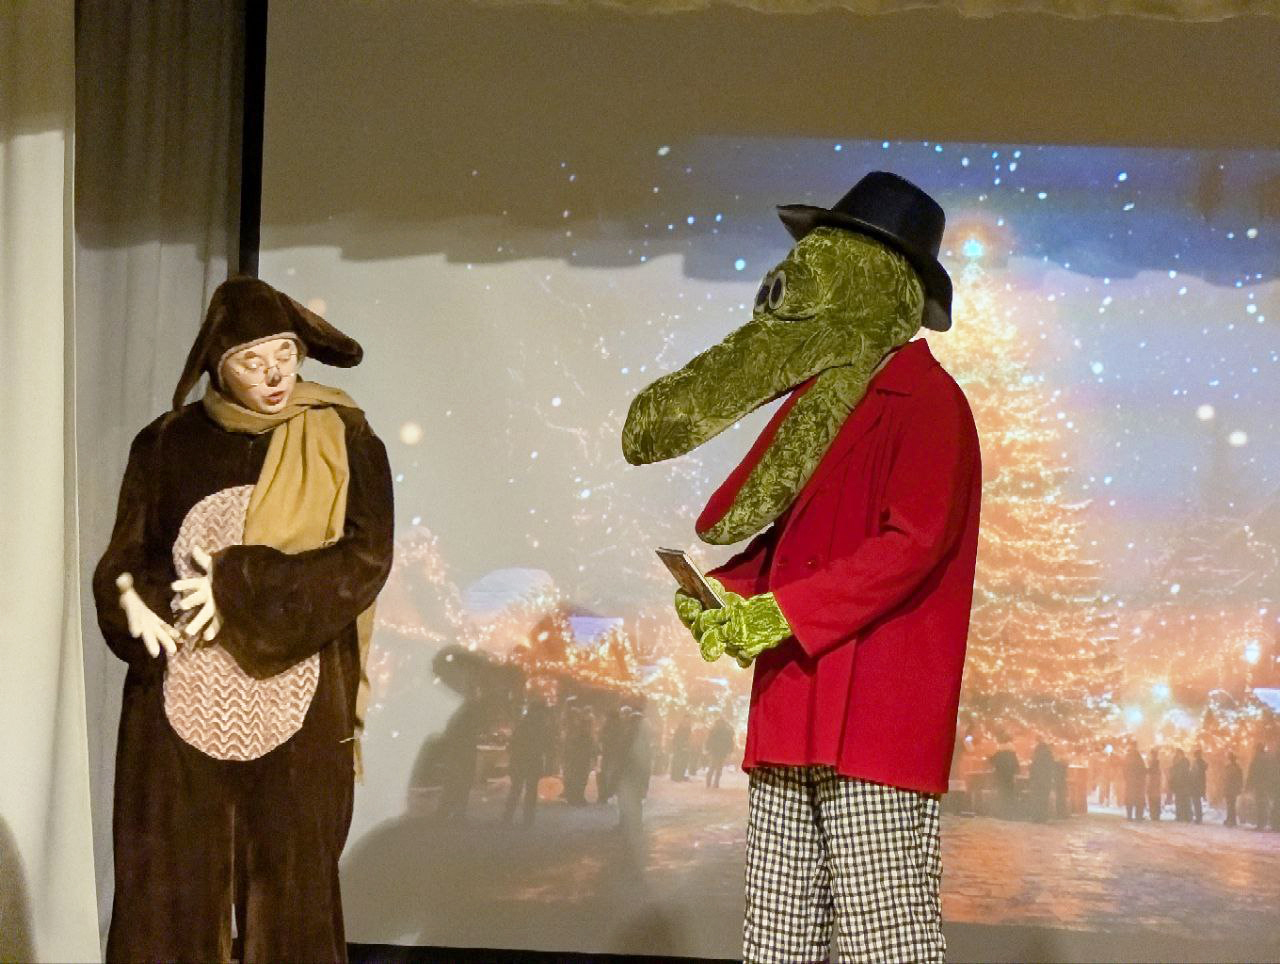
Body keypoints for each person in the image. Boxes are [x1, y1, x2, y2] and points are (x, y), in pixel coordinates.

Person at [631, 173, 977, 963]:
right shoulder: (823, 406)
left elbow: (911, 543)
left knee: (882, 930)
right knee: (778, 924)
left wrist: (783, 613)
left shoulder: (928, 401)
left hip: (877, 712)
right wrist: (728, 591)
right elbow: (794, 539)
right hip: (794, 700)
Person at [94, 278, 393, 962]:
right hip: (181, 695)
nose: (275, 374)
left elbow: (366, 558)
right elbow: (127, 558)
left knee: (291, 897)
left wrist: (237, 582)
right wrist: (129, 600)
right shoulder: (164, 443)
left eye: (284, 353)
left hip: (300, 692)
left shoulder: (345, 436)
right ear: (216, 364)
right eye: (252, 360)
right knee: (169, 891)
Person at [504, 700, 551, 826]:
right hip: (532, 761)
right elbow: (546, 745)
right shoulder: (541, 727)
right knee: (530, 791)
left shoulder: (523, 724)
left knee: (517, 789)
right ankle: (527, 819)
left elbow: (513, 744)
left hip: (521, 760)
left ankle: (509, 817)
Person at [990, 737, 1021, 820]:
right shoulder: (1012, 753)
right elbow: (1016, 765)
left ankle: (1002, 813)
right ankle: (1009, 813)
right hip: (1009, 777)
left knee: (1001, 794)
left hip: (1000, 777)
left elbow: (992, 761)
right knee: (1009, 794)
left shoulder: (999, 753)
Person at [705, 715, 736, 789]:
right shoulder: (724, 731)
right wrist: (730, 750)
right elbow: (730, 741)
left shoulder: (716, 730)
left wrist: (707, 748)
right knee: (716, 767)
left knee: (714, 767)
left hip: (717, 750)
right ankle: (714, 782)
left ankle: (712, 782)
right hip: (719, 751)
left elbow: (709, 740)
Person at [1028, 740, 1056, 823]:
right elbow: (1051, 768)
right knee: (1044, 799)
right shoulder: (1049, 756)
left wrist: (1031, 778)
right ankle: (1043, 817)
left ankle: (1036, 817)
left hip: (1036, 780)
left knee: (1036, 798)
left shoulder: (1036, 757)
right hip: (1046, 780)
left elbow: (1032, 769)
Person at [1124, 743, 1147, 820]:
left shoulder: (1128, 757)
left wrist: (1127, 778)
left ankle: (1129, 816)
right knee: (1139, 800)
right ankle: (1138, 816)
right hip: (1138, 783)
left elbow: (1125, 770)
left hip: (1131, 782)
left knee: (1130, 799)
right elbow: (1143, 769)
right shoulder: (1139, 757)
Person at [1170, 748, 1192, 823]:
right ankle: (1185, 816)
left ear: (1180, 754)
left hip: (1181, 785)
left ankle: (1182, 816)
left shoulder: (1181, 764)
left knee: (1181, 801)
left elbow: (1178, 775)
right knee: (1184, 801)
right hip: (1183, 785)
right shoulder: (1184, 763)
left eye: (1177, 754)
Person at [1223, 751, 1244, 827]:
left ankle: (1231, 820)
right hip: (1232, 788)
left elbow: (1226, 779)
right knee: (1231, 804)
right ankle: (1231, 819)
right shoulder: (1237, 768)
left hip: (1230, 788)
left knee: (1230, 804)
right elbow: (1240, 779)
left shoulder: (1230, 767)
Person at [669, 714, 693, 782]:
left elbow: (689, 738)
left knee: (684, 762)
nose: (687, 720)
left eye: (688, 719)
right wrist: (679, 745)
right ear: (683, 719)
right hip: (679, 747)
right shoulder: (680, 728)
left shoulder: (689, 728)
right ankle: (675, 776)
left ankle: (681, 776)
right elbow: (676, 738)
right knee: (677, 762)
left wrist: (688, 744)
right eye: (686, 719)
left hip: (685, 747)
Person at [1189, 748, 1208, 824]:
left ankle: (1198, 818)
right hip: (1199, 785)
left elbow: (1194, 774)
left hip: (1196, 785)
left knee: (1196, 802)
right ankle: (1199, 817)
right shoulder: (1202, 763)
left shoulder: (1197, 763)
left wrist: (1191, 781)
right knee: (1197, 802)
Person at [1146, 749, 1163, 821]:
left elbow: (1149, 772)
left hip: (1153, 785)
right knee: (1156, 800)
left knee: (1153, 800)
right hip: (1155, 786)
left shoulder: (1153, 764)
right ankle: (1156, 815)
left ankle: (1153, 815)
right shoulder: (1157, 765)